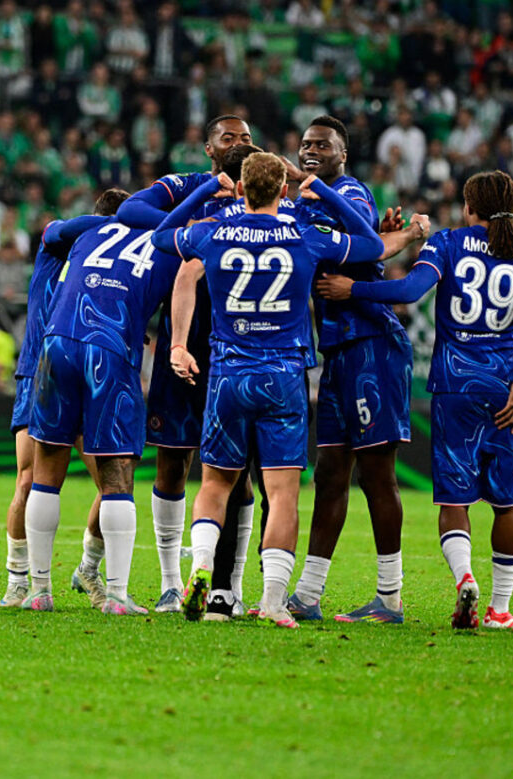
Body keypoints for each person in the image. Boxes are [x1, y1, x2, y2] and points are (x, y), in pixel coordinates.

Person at [316, 171, 513, 630]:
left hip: (454, 387)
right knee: (508, 503)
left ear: (470, 207)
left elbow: (409, 291)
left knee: (456, 499)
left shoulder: (448, 243)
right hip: (505, 388)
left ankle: (464, 577)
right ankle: (500, 609)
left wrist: (355, 290)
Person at [160, 153, 385, 627]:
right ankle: (275, 601)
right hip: (283, 374)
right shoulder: (305, 234)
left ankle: (201, 568)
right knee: (281, 493)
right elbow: (371, 244)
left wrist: (203, 194)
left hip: (228, 372)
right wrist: (321, 190)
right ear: (284, 190)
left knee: (217, 483)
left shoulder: (214, 230)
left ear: (241, 188)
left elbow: (163, 236)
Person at [279, 116, 428, 624]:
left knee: (377, 475)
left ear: (343, 153)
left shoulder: (352, 192)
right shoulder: (307, 203)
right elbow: (368, 250)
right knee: (330, 474)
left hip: (372, 344)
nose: (311, 150)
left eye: (322, 144)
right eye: (305, 144)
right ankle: (309, 594)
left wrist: (393, 240)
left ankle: (390, 598)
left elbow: (366, 239)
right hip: (338, 351)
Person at [115, 115, 261, 616]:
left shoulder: (268, 192)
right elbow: (132, 211)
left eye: (245, 136)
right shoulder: (189, 187)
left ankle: (230, 586)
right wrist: (197, 206)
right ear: (208, 149)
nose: (239, 142)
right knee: (173, 460)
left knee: (237, 471)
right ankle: (171, 582)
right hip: (187, 337)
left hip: (242, 344)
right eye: (229, 137)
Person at [23, 199, 183, 616]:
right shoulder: (169, 242)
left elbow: (52, 233)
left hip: (56, 342)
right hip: (110, 346)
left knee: (47, 468)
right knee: (116, 474)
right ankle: (116, 595)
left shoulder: (89, 232)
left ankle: (38, 591)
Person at [1, 192, 126, 610]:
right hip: (40, 370)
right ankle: (19, 579)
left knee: (113, 485)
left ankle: (88, 568)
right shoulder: (59, 247)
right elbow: (52, 227)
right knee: (27, 478)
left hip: (89, 373)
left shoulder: (114, 271)